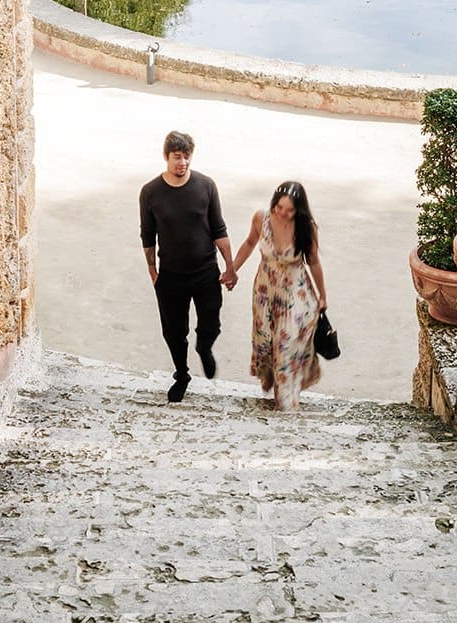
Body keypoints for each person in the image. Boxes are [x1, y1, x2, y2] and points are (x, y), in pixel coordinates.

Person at [140, 131, 236, 403]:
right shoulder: (150, 192)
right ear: (166, 157)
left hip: (206, 271)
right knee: (173, 332)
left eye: (186, 156)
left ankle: (204, 347)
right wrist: (152, 272)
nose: (182, 162)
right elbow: (147, 236)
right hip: (170, 276)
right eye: (177, 157)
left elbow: (219, 228)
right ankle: (182, 374)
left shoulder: (206, 185)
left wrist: (229, 267)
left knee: (211, 323)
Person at [232, 181, 327, 414]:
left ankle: (286, 406)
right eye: (279, 207)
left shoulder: (307, 227)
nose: (283, 213)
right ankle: (269, 376)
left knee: (284, 351)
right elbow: (249, 243)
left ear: (299, 210)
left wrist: (323, 295)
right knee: (264, 342)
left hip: (295, 296)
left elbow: (313, 261)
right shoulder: (260, 218)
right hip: (265, 293)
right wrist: (231, 270)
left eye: (289, 210)